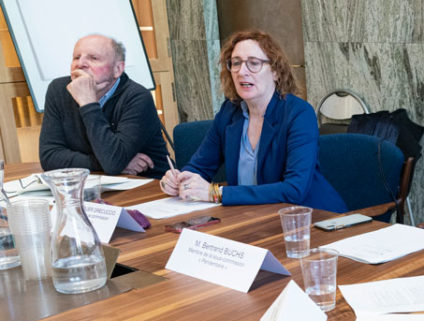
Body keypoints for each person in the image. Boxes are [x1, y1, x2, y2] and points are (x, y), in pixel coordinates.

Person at [159, 30, 346, 212]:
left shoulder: (298, 113)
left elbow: (294, 189)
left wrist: (215, 193)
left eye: (253, 63)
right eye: (236, 63)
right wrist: (179, 180)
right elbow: (199, 166)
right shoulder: (229, 111)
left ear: (275, 71)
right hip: (253, 217)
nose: (242, 72)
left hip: (311, 217)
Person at [39, 34, 170, 178]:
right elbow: (49, 157)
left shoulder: (137, 97)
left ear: (118, 69)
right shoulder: (58, 90)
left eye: (93, 58)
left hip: (148, 183)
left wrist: (88, 102)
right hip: (95, 182)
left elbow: (112, 163)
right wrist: (107, 163)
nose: (80, 64)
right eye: (76, 57)